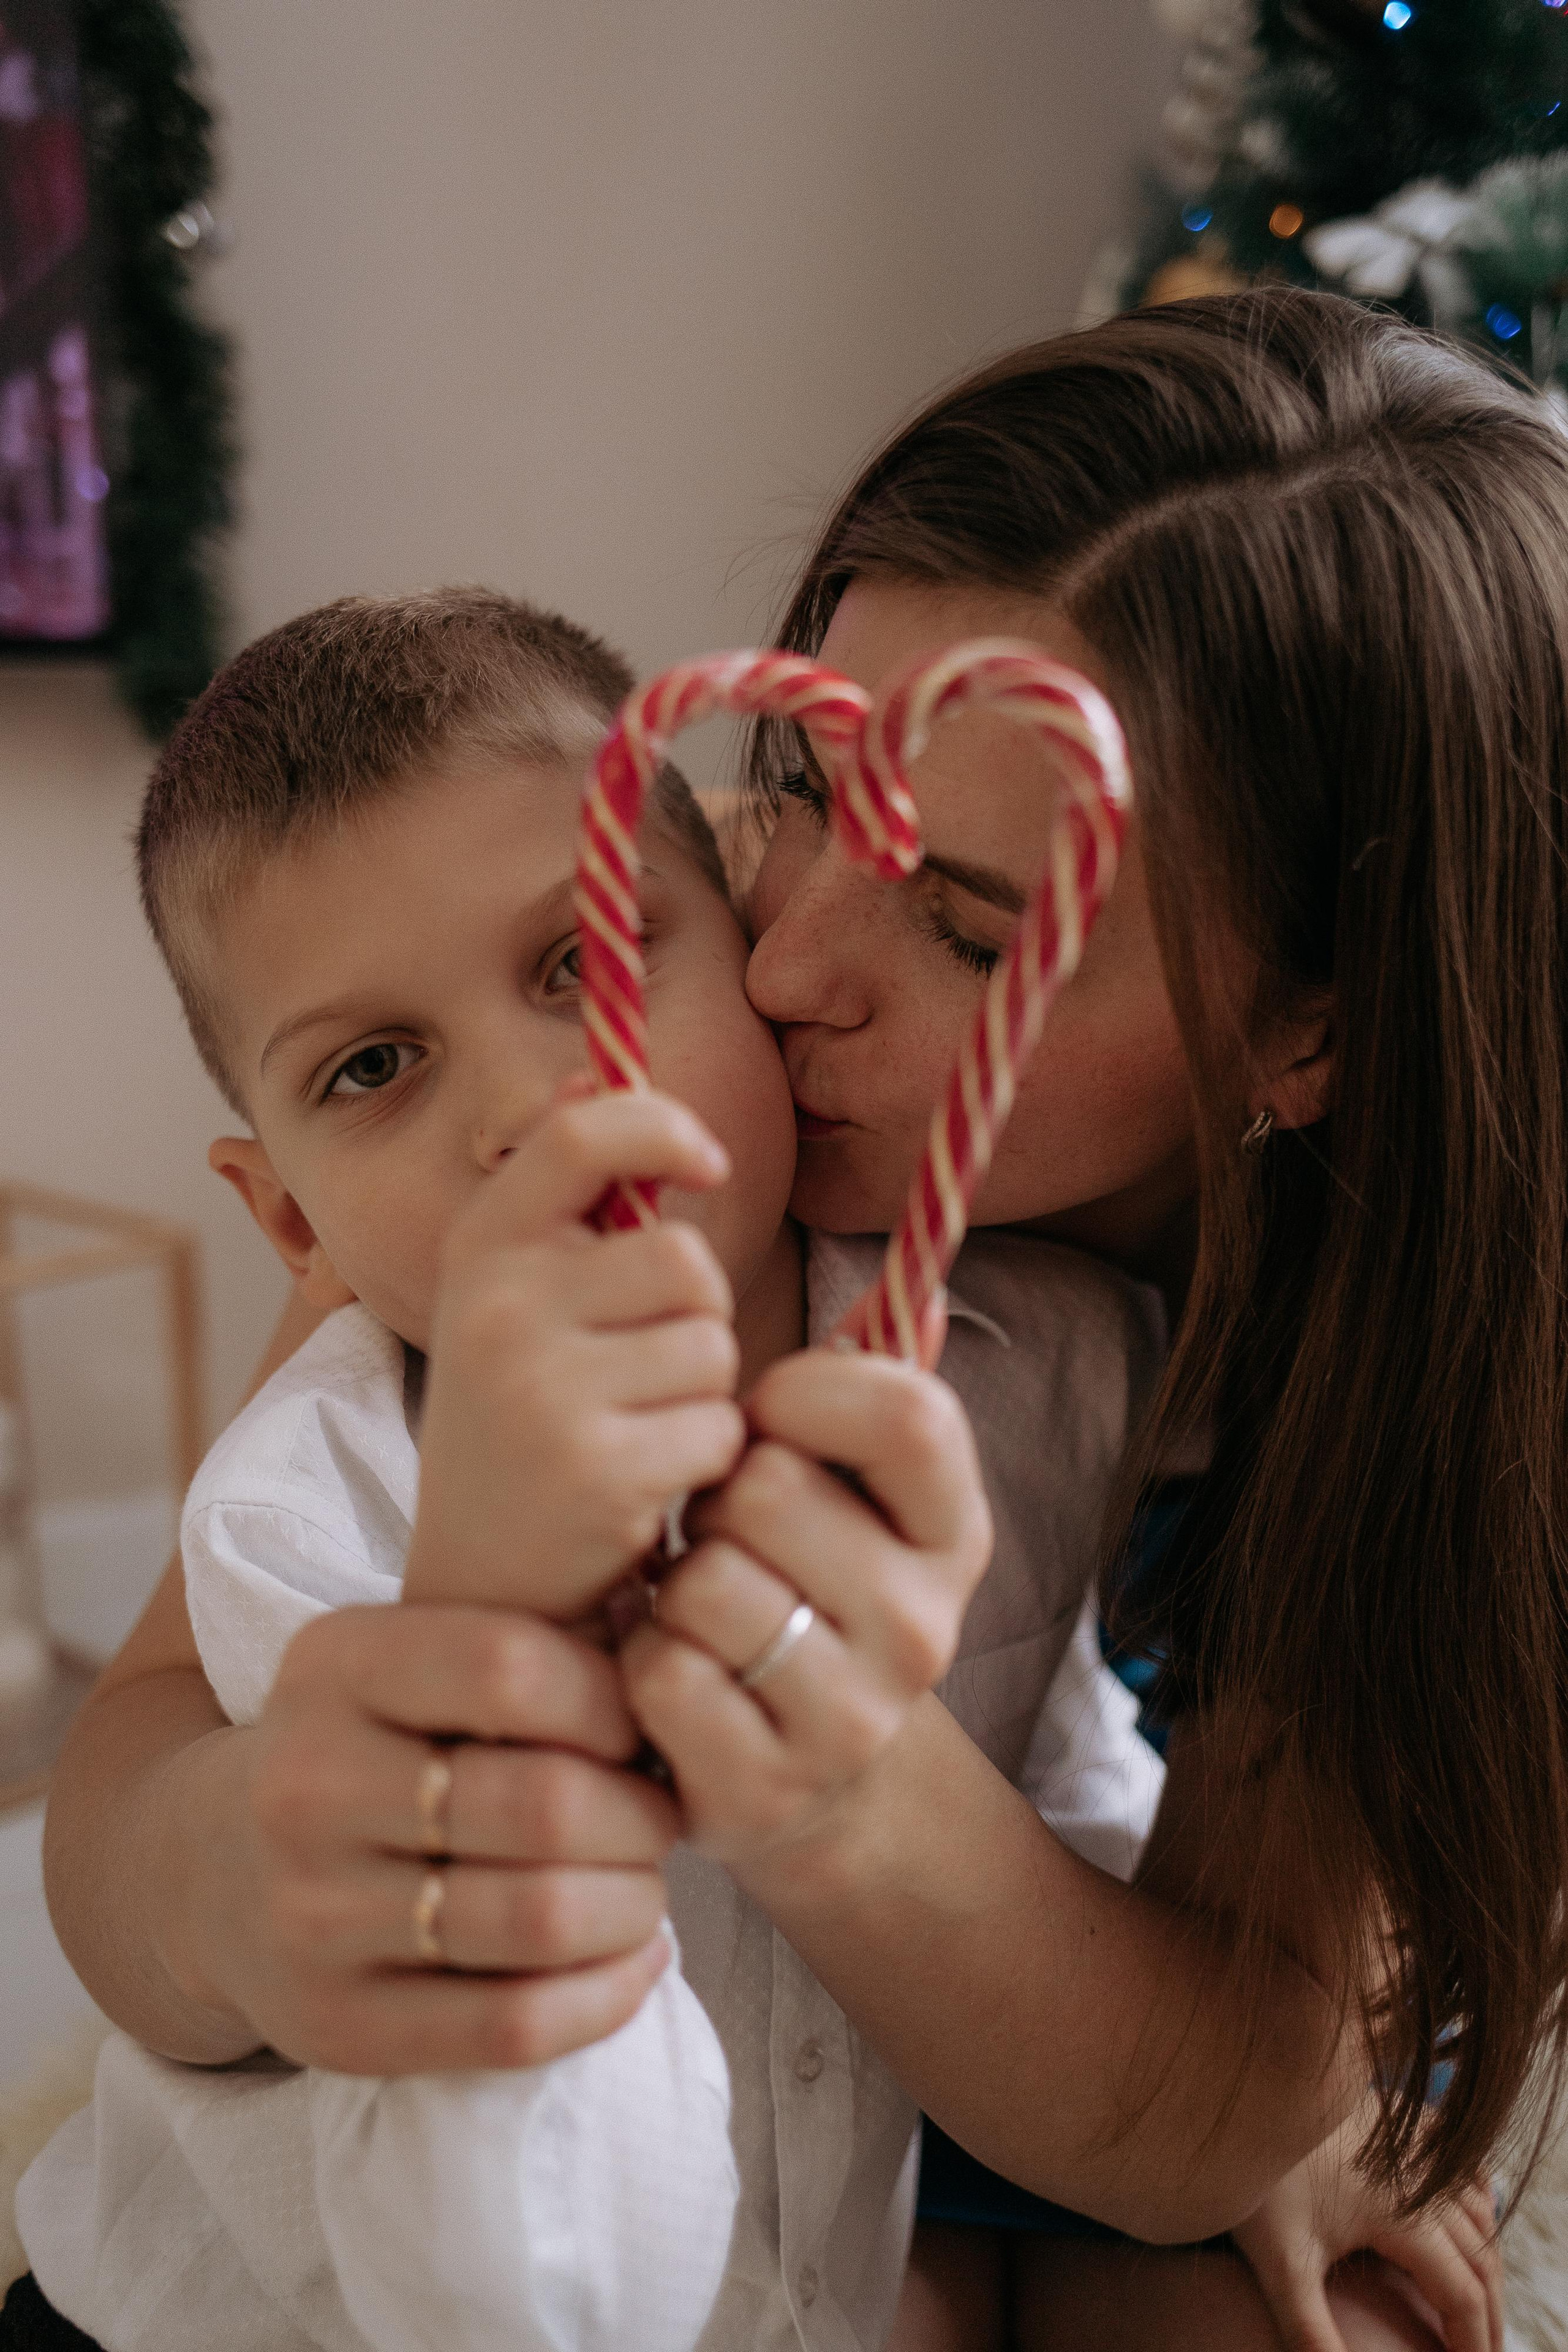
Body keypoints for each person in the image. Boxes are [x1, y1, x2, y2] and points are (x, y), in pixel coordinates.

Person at [31, 287, 1551, 2352]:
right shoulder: (598, 1042)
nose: (792, 959)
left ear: (1310, 1030)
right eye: (806, 784)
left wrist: (847, 1772)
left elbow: (1218, 2070)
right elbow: (161, 1733)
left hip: (998, 1943)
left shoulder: (1399, 1359)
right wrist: (233, 1884)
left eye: (963, 926)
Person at [8, 589, 1163, 2352]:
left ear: (762, 970)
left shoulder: (1040, 1373)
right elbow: (507, 2297)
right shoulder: (312, 1525)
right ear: (292, 1219)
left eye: (589, 962)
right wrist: (508, 1628)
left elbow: (1069, 1788)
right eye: (375, 1067)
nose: (534, 1103)